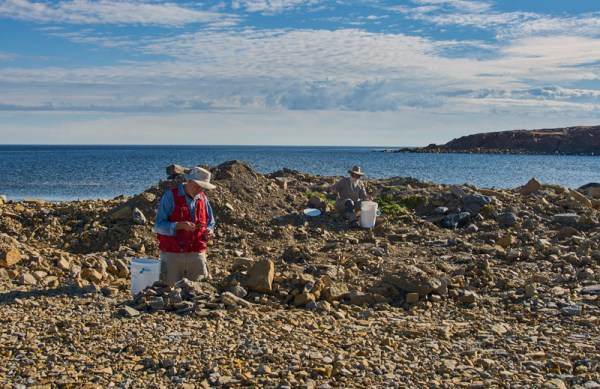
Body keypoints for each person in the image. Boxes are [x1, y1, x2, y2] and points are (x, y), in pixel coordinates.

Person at [155, 166, 216, 284]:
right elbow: (158, 226)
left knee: (199, 293)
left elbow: (210, 222)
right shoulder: (170, 196)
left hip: (197, 254)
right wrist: (179, 225)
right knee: (169, 293)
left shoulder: (203, 199)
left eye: (202, 188)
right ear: (189, 181)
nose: (199, 190)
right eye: (197, 186)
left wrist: (208, 231)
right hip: (172, 255)